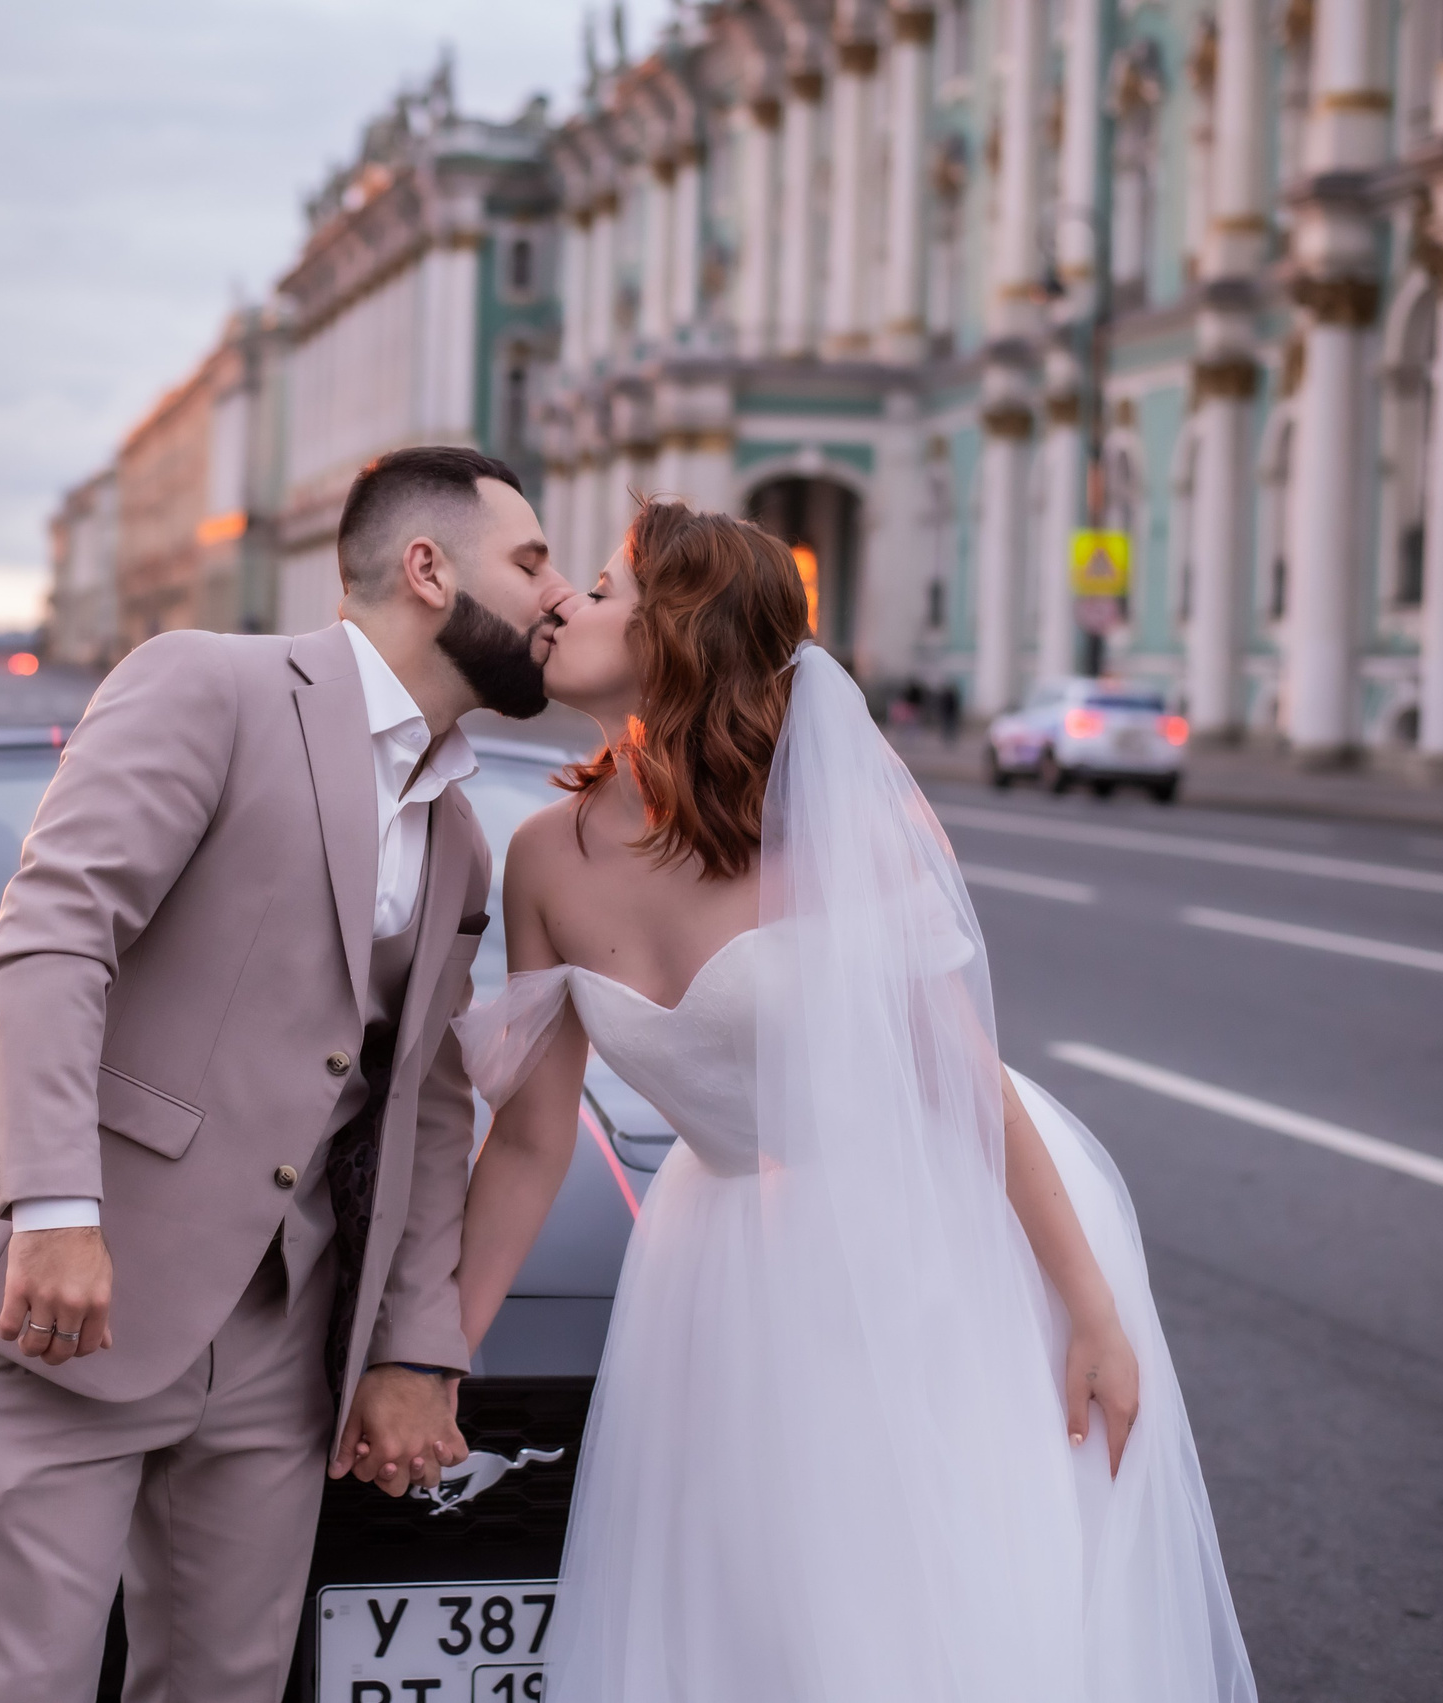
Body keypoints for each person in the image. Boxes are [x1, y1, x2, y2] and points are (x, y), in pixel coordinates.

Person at [452, 501, 1257, 1702]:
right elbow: (526, 1134)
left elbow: (964, 1081)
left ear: (681, 633)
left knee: (914, 1608)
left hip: (924, 1240)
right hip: (720, 1263)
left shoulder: (838, 825)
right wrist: (435, 1354)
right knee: (750, 1611)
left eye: (607, 587)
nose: (565, 598)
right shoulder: (544, 856)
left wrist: (1090, 1310)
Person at [0, 445, 576, 1701]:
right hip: (77, 1298)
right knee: (15, 1684)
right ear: (428, 569)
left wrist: (412, 1341)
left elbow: (423, 1100)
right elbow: (53, 939)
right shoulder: (211, 685)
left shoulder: (459, 836)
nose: (558, 594)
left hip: (282, 1337)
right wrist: (51, 1208)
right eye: (532, 559)